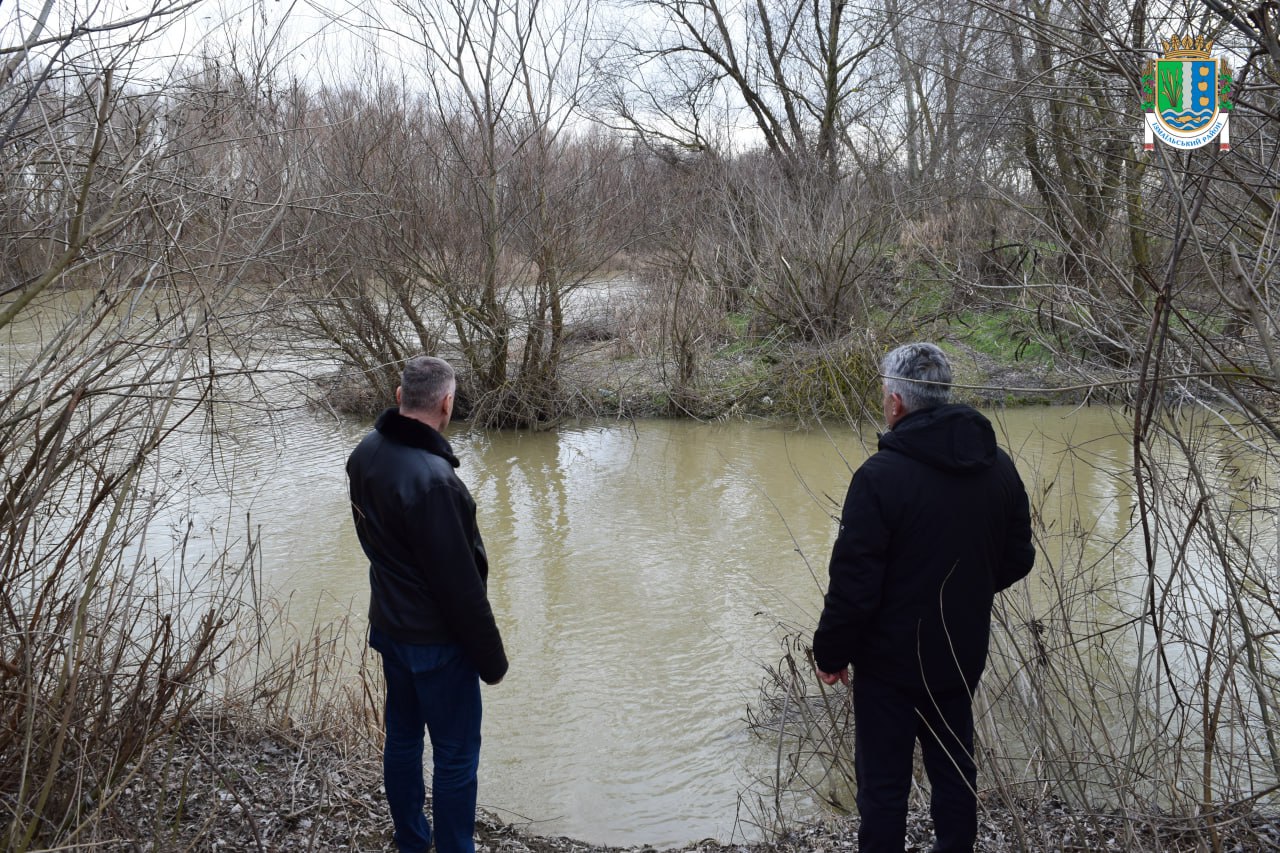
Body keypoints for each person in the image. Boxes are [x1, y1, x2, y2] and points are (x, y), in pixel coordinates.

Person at [812, 342, 1035, 853]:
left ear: (896, 403)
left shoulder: (879, 477)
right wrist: (965, 591)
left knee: (884, 788)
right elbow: (1018, 557)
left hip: (889, 665)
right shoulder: (997, 465)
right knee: (955, 772)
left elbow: (854, 585)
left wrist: (831, 653)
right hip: (960, 653)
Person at [347, 355, 508, 853]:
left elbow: (378, 546)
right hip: (436, 644)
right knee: (456, 755)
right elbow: (459, 587)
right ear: (446, 403)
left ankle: (412, 842)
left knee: (401, 740)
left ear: (400, 398)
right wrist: (492, 661)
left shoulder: (366, 452)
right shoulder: (436, 482)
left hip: (391, 629)